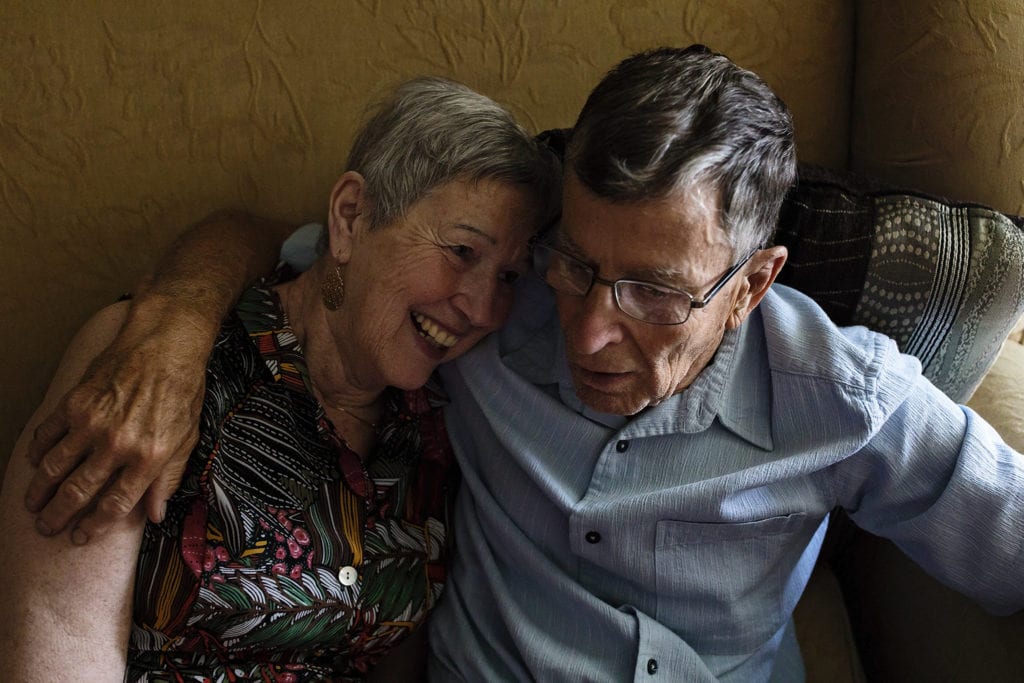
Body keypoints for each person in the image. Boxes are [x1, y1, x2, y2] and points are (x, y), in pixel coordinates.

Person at [14, 45, 1024, 681]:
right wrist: (172, 320)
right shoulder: (488, 313)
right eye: (575, 263)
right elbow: (291, 256)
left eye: (656, 293)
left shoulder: (849, 402)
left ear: (752, 283)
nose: (587, 329)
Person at [0, 76, 559, 680]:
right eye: (462, 251)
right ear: (350, 218)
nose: (481, 309)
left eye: (508, 277)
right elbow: (60, 634)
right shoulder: (157, 369)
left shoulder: (435, 424)